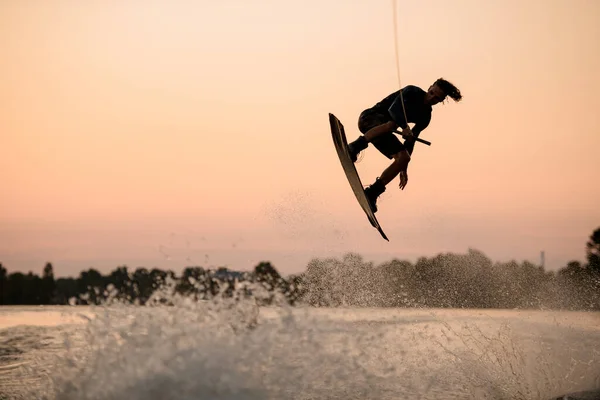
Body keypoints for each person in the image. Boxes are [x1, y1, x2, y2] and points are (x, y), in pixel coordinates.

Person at [347, 78, 462, 212]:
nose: (432, 98)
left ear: (441, 101)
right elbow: (393, 111)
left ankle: (372, 193)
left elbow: (410, 142)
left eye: (436, 98)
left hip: (382, 133)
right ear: (429, 87)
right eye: (431, 93)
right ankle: (355, 147)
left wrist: (403, 168)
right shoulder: (412, 91)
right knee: (392, 124)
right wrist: (404, 127)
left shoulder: (426, 116)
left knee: (404, 158)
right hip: (369, 119)